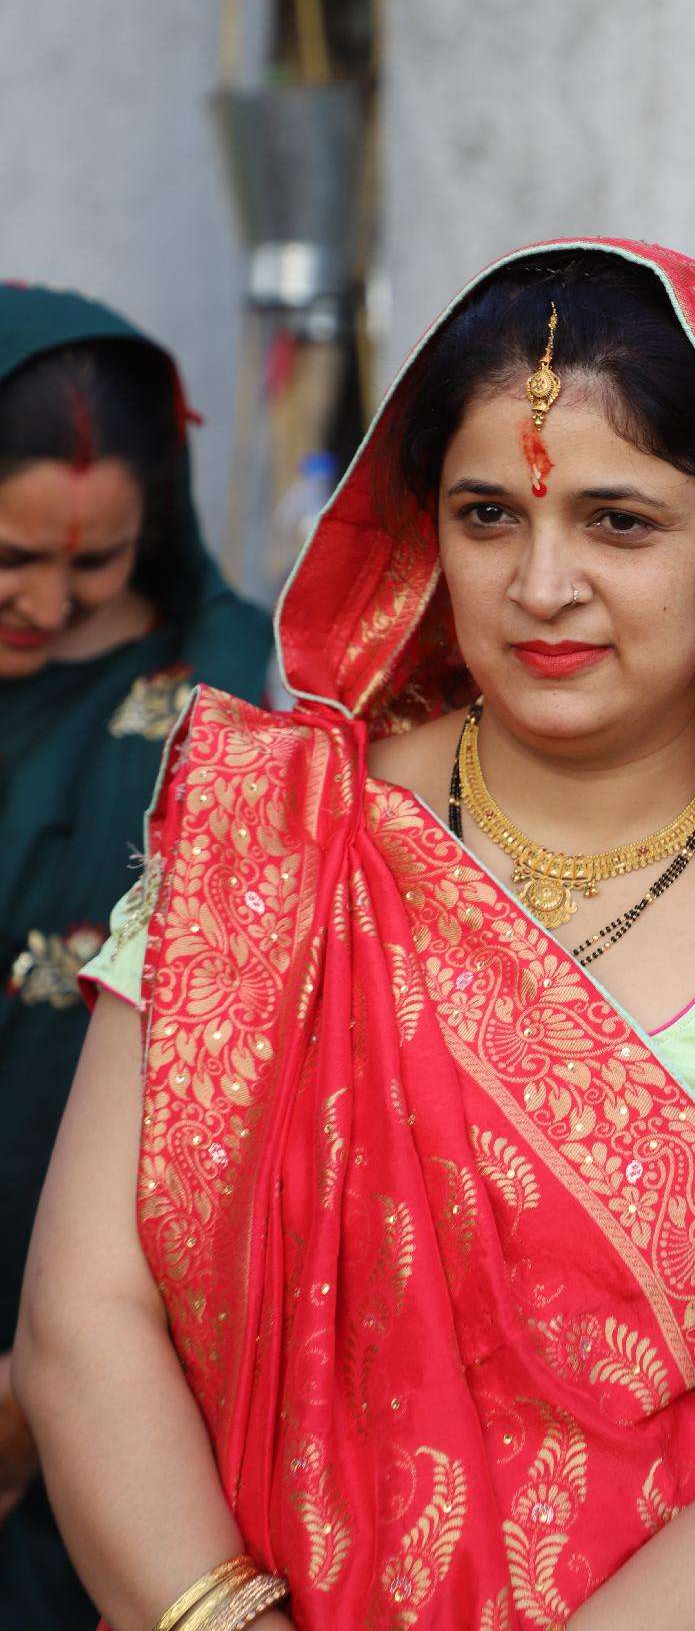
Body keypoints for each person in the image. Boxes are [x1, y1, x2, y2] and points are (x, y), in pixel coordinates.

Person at [14, 243, 695, 1631]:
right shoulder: (272, 839)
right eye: (488, 515)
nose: (541, 582)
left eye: (619, 521)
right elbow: (83, 1317)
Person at [0, 285, 274, 1630]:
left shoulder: (226, 697)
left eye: (96, 562)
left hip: (93, 1337)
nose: (46, 602)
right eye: (9, 555)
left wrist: (32, 1388)